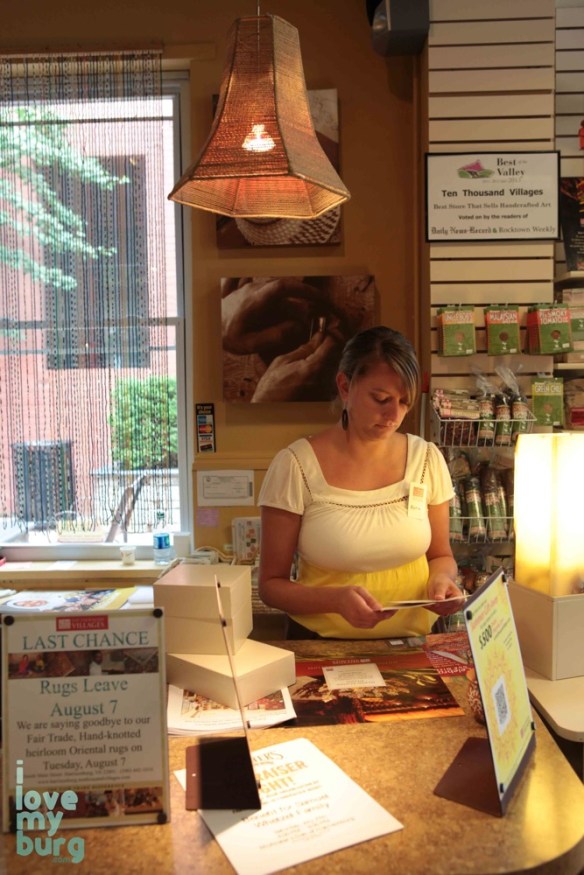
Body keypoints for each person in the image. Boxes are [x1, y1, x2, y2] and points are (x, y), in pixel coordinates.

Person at [257, 325, 462, 639]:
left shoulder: (427, 459)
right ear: (344, 386)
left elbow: (440, 555)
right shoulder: (295, 465)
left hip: (416, 643)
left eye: (405, 401)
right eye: (381, 399)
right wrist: (335, 600)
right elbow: (271, 586)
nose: (394, 414)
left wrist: (442, 582)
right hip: (323, 645)